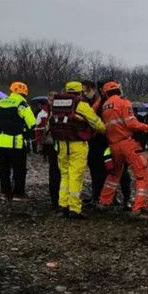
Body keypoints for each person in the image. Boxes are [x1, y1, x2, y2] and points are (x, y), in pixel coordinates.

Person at [48, 81, 106, 219]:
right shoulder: (81, 104)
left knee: (64, 175)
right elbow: (96, 122)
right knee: (76, 175)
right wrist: (104, 129)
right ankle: (74, 208)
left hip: (61, 144)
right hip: (77, 144)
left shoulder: (57, 104)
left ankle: (62, 206)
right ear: (79, 92)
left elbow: (50, 123)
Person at [97, 80, 148, 215]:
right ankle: (138, 206)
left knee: (114, 174)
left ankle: (104, 201)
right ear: (118, 90)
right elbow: (132, 124)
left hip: (113, 145)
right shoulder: (124, 103)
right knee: (142, 174)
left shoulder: (105, 106)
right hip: (127, 143)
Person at [0, 81, 37, 200]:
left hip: (1, 142)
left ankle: (5, 193)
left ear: (11, 91)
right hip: (17, 143)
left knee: (4, 169)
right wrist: (27, 133)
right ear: (24, 93)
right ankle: (18, 194)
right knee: (19, 169)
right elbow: (32, 123)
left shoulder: (1, 103)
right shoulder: (22, 104)